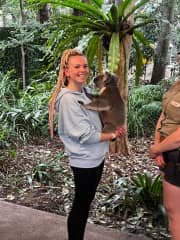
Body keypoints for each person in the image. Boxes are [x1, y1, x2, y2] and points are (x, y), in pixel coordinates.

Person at [49, 48, 125, 240]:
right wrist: (112, 135)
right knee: (81, 205)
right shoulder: (68, 100)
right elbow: (85, 135)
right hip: (84, 161)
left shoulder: (86, 93)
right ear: (66, 71)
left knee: (85, 203)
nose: (83, 70)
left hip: (96, 158)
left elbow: (102, 117)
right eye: (77, 66)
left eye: (84, 65)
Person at [149, 79, 180, 240]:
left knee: (175, 213)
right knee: (173, 210)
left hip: (177, 155)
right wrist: (158, 145)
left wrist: (157, 149)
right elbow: (164, 115)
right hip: (167, 153)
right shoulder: (177, 85)